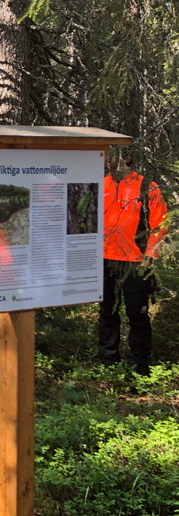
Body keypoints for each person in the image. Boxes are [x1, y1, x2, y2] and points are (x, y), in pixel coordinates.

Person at [100, 154, 168, 376]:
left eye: (116, 154)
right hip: (104, 259)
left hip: (137, 261)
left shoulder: (147, 186)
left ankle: (138, 366)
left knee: (137, 314)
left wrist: (151, 255)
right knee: (107, 311)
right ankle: (108, 362)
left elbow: (160, 224)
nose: (110, 159)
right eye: (108, 154)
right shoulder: (101, 185)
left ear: (128, 158)